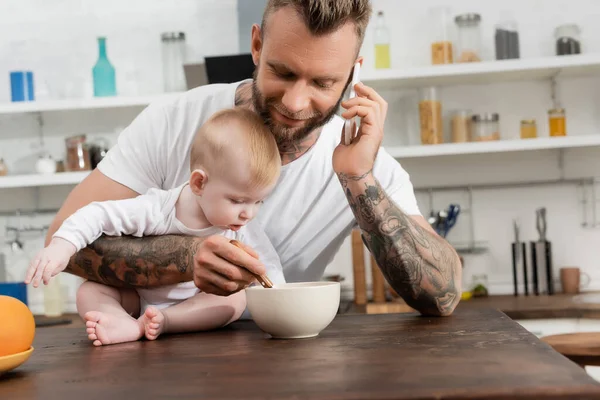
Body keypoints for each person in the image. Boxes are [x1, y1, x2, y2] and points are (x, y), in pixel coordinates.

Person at [47, 0, 462, 318]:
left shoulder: (361, 158)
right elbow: (59, 242)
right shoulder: (173, 121)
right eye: (283, 72)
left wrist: (359, 177)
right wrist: (185, 259)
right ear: (257, 45)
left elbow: (442, 294)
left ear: (353, 75)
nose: (297, 102)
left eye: (323, 82)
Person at [26, 108, 286, 346]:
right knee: (89, 292)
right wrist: (62, 246)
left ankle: (165, 322)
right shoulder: (160, 208)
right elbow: (99, 213)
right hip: (137, 300)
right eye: (237, 200)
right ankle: (121, 321)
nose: (248, 213)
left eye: (258, 202)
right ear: (198, 183)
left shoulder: (242, 224)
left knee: (235, 300)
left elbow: (268, 266)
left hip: (195, 306)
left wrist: (283, 305)